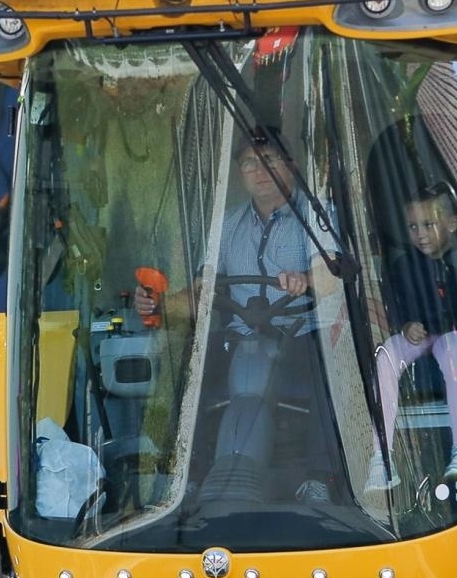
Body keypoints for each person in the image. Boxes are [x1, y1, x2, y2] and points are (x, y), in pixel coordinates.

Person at [135, 130, 339, 503]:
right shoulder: (227, 225)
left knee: (329, 371)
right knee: (190, 369)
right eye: (249, 164)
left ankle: (320, 478)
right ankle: (187, 476)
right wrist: (159, 306)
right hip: (241, 336)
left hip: (300, 331)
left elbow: (330, 278)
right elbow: (201, 291)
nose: (259, 171)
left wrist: (304, 279)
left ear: (290, 166)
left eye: (270, 160)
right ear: (240, 174)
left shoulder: (317, 216)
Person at [366, 184, 457, 492]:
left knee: (452, 353)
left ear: (452, 223)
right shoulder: (405, 266)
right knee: (387, 355)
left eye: (428, 224)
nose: (421, 234)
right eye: (413, 227)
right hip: (423, 336)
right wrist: (406, 326)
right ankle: (382, 458)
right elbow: (397, 303)